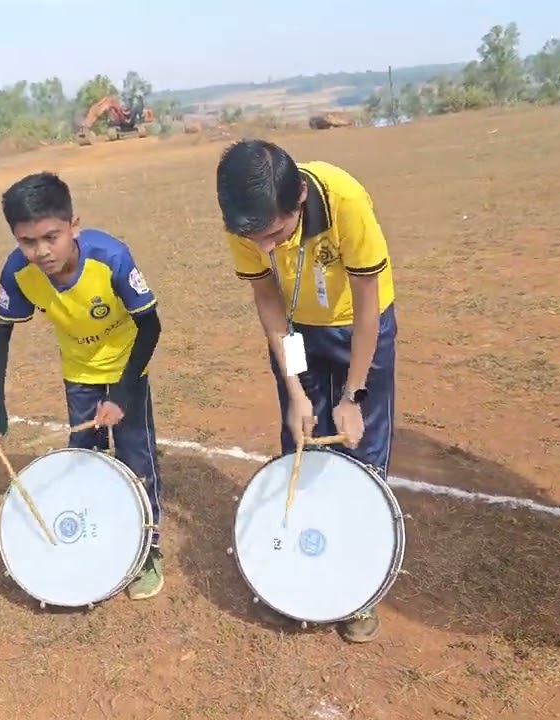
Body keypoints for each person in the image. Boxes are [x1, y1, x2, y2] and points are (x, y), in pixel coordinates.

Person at [215, 139, 399, 644]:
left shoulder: (345, 201)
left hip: (359, 328)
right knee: (300, 440)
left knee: (360, 446)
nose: (267, 248)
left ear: (298, 199)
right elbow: (269, 301)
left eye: (276, 233)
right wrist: (295, 390)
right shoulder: (246, 223)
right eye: (255, 239)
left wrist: (354, 395)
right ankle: (297, 571)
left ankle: (358, 587)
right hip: (298, 331)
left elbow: (367, 308)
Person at [0, 171, 166, 601]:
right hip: (78, 372)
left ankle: (148, 546)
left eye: (51, 237)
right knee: (85, 457)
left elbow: (150, 326)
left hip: (125, 367)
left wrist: (120, 393)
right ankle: (98, 534)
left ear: (73, 226)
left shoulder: (111, 258)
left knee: (137, 453)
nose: (41, 252)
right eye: (28, 242)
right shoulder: (18, 273)